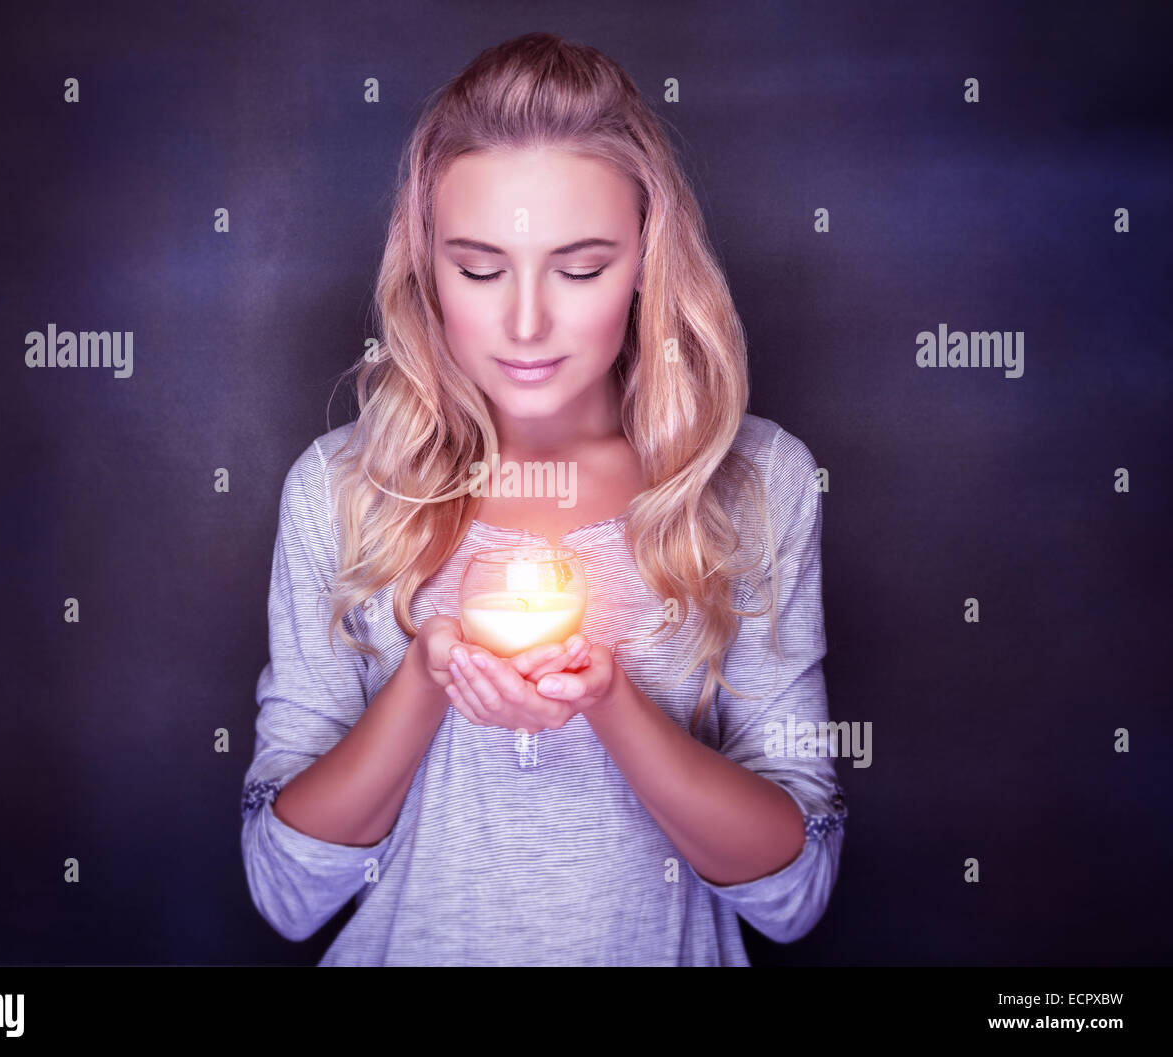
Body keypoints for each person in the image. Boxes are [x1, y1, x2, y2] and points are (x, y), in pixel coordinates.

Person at [241, 31, 847, 966]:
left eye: (579, 267)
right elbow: (286, 894)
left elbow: (795, 891)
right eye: (480, 269)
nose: (526, 321)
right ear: (426, 266)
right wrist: (426, 678)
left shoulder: (757, 487)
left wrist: (610, 700)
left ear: (647, 258)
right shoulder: (342, 491)